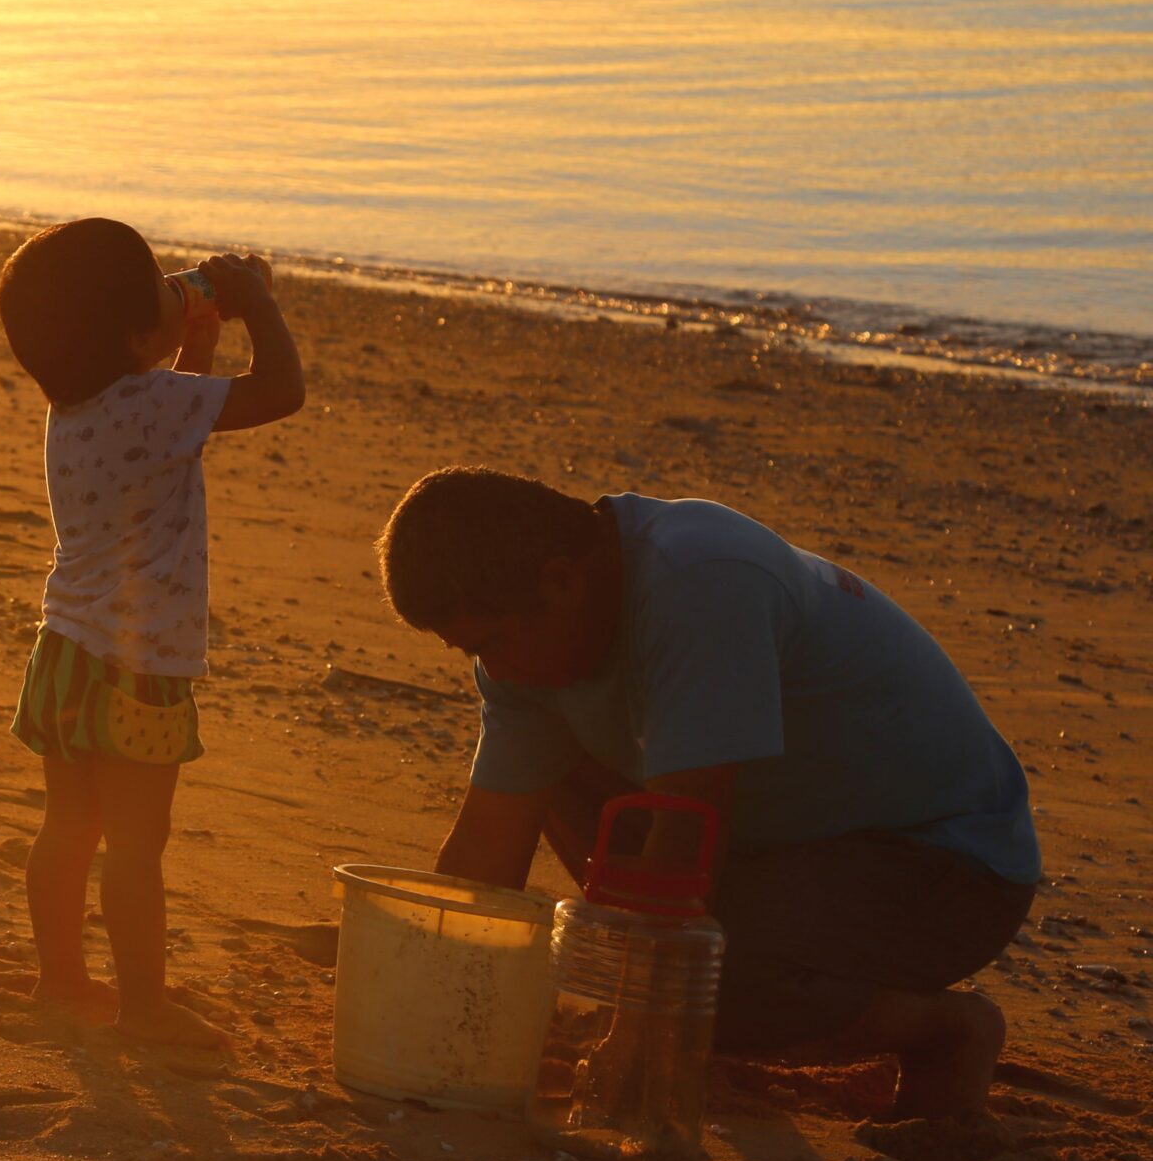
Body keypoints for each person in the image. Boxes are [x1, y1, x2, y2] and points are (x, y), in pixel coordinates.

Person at [378, 466, 1040, 1119]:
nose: (488, 670)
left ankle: (945, 1030)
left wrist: (637, 1033)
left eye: (489, 642)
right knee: (553, 787)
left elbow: (686, 843)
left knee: (698, 985)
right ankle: (708, 1002)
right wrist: (427, 1012)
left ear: (559, 579)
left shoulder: (697, 579)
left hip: (951, 866)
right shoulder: (536, 638)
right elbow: (487, 845)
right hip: (784, 843)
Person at [0, 218, 305, 1048]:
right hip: (138, 667)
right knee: (138, 844)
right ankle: (145, 1008)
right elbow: (281, 390)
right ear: (135, 335)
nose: (180, 288)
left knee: (69, 827)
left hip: (63, 650)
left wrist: (193, 328)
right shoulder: (151, 404)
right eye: (166, 290)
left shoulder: (76, 405)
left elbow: (172, 427)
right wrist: (255, 302)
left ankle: (60, 976)